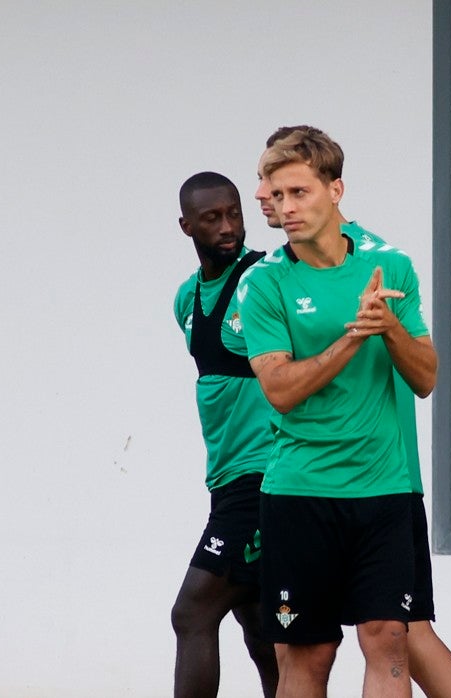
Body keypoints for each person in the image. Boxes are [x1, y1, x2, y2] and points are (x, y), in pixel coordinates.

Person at [253, 126, 451, 698]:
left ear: (336, 190)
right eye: (277, 197)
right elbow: (279, 388)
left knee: (388, 638)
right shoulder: (264, 283)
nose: (286, 208)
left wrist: (388, 326)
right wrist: (354, 337)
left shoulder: (390, 266)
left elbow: (426, 378)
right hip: (300, 491)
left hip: (384, 491)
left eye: (299, 192)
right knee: (309, 653)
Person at [171, 171, 278, 698]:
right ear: (186, 225)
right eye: (211, 218)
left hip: (262, 478)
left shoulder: (264, 279)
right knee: (261, 629)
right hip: (226, 477)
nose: (228, 226)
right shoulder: (185, 299)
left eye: (234, 212)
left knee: (192, 611)